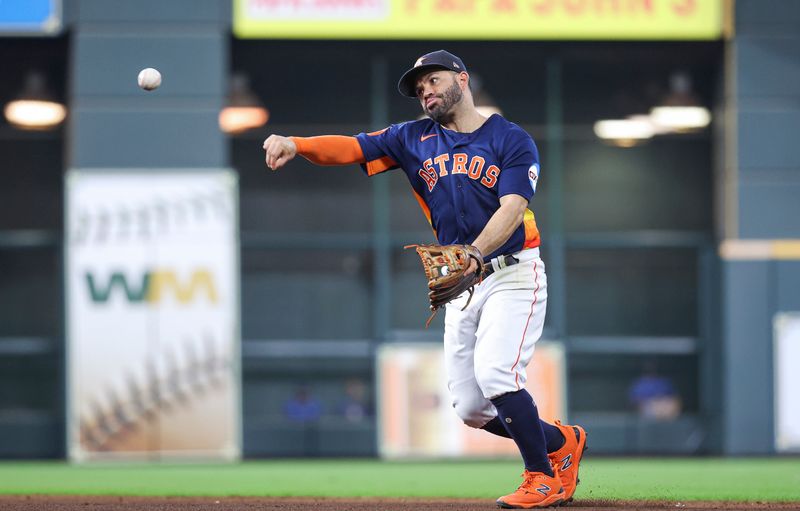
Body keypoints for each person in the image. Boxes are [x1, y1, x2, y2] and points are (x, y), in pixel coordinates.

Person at [263, 50, 587, 509]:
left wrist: (476, 253)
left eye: (433, 80)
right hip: (461, 281)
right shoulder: (412, 138)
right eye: (419, 88)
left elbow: (512, 208)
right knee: (473, 410)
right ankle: (560, 442)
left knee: (498, 373)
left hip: (512, 272)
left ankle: (542, 477)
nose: (426, 91)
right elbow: (354, 147)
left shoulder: (510, 139)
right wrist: (297, 143)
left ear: (461, 78)